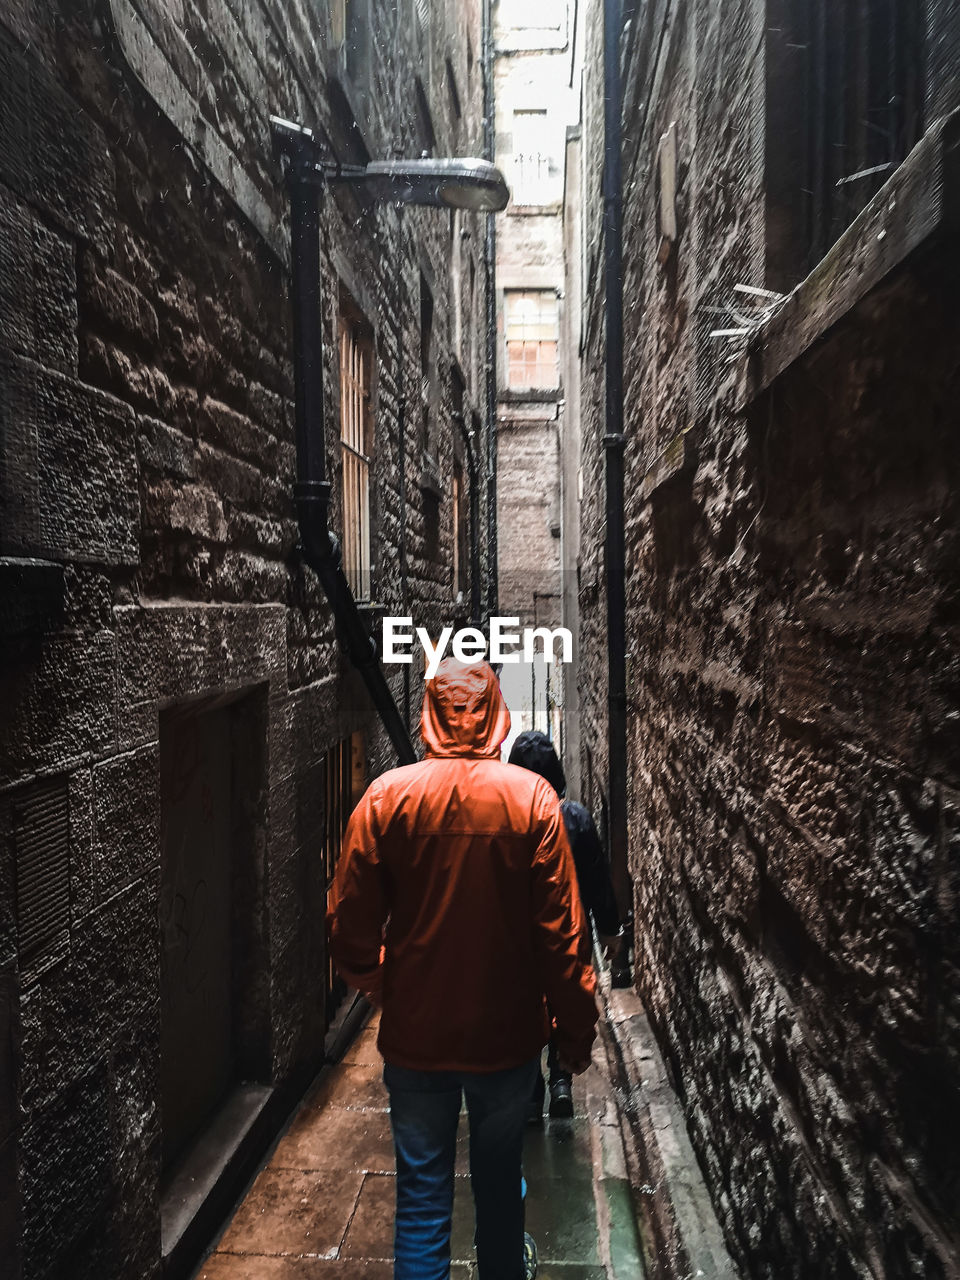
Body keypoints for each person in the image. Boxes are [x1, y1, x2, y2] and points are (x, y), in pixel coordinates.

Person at [327, 659, 599, 1280]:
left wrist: (384, 983)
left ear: (428, 719)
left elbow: (347, 928)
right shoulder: (532, 800)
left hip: (417, 1038)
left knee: (422, 1200)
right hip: (505, 1043)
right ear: (498, 718)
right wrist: (574, 1036)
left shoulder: (385, 798)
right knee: (500, 1183)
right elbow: (564, 940)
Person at [507, 729, 621, 1120]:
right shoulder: (575, 818)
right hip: (570, 934)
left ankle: (530, 1089)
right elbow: (597, 880)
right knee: (564, 1000)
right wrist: (610, 928)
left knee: (524, 1008)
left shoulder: (504, 823)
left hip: (517, 940)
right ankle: (560, 1080)